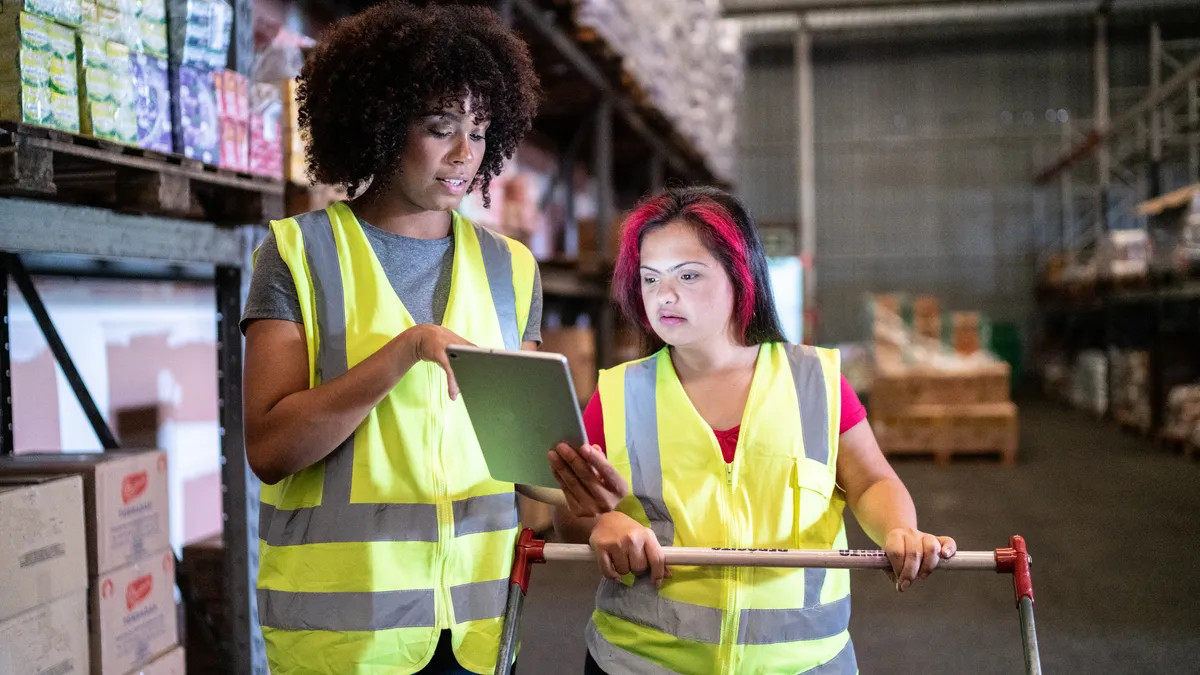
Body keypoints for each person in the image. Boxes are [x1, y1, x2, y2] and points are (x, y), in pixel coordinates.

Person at [239, 3, 546, 673]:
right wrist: (404, 351)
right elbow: (270, 448)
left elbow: (527, 461)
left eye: (479, 129)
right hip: (346, 640)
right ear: (379, 124)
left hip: (478, 628)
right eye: (440, 129)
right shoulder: (298, 254)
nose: (465, 154)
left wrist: (582, 486)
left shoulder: (512, 269)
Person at [548, 186, 957, 675]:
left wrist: (899, 529)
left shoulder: (815, 382)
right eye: (650, 279)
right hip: (643, 662)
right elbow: (570, 516)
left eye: (689, 275)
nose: (665, 296)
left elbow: (871, 481)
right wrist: (600, 523)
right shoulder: (617, 395)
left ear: (741, 277)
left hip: (801, 662)